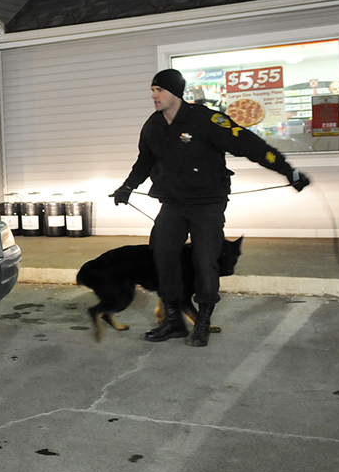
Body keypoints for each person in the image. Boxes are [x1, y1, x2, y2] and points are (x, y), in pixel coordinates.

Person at [112, 68, 311, 347]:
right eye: (153, 91)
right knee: (163, 256)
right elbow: (145, 160)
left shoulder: (205, 120)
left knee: (205, 261)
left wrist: (287, 171)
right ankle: (173, 322)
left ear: (175, 93)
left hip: (207, 204)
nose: (154, 96)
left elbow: (249, 143)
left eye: (159, 90)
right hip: (172, 204)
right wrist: (128, 187)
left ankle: (202, 321)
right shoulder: (153, 125)